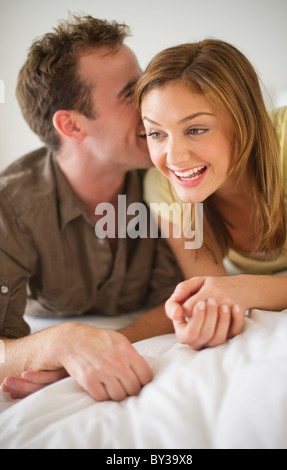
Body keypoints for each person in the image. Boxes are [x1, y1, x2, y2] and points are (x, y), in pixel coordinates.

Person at [0, 15, 183, 401]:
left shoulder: (175, 172)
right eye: (131, 92)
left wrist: (105, 344)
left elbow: (186, 296)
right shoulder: (11, 208)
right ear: (71, 125)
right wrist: (58, 343)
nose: (152, 100)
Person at [134, 39, 287, 351]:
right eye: (156, 133)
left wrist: (242, 290)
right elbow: (213, 296)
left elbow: (227, 291)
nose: (174, 157)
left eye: (196, 129)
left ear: (243, 122)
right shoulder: (160, 185)